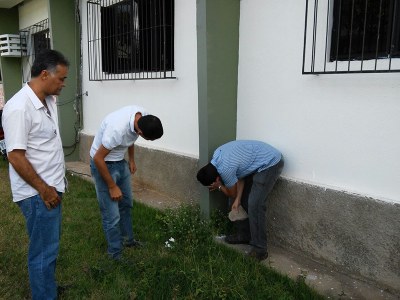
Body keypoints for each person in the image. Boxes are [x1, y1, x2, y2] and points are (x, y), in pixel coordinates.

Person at [2, 50, 69, 299]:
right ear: (44, 74)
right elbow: (15, 156)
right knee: (43, 251)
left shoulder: (48, 100)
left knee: (48, 248)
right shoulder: (19, 108)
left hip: (49, 188)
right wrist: (44, 189)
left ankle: (46, 287)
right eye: (61, 79)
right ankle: (44, 295)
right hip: (37, 193)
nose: (63, 84)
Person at [90, 105, 163, 260]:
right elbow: (98, 158)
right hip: (103, 164)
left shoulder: (143, 116)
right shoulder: (116, 130)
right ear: (140, 132)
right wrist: (112, 186)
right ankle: (114, 254)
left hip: (119, 162)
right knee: (112, 215)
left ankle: (128, 241)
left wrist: (131, 159)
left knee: (126, 204)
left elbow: (130, 139)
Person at [197, 140, 284, 261]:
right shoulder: (216, 156)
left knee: (255, 204)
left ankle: (260, 249)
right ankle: (244, 235)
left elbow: (231, 192)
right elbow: (239, 178)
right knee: (239, 200)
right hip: (256, 161)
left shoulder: (225, 170)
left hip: (270, 162)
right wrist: (238, 200)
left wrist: (219, 186)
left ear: (217, 178)